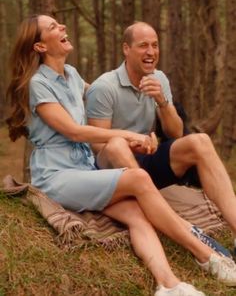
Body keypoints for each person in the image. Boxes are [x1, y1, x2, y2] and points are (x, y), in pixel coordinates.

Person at [6, 15, 236, 296]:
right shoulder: (37, 84)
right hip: (56, 175)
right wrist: (128, 135)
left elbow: (98, 92)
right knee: (137, 178)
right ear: (40, 46)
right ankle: (207, 255)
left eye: (60, 23)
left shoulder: (73, 75)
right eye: (53, 27)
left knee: (136, 214)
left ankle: (169, 285)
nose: (62, 27)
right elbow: (75, 132)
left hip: (85, 170)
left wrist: (152, 110)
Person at [86, 21, 236, 254]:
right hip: (114, 171)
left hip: (146, 161)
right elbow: (96, 145)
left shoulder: (159, 79)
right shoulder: (104, 87)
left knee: (200, 141)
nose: (151, 52)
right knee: (116, 145)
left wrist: (162, 101)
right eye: (143, 45)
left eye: (155, 46)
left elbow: (176, 133)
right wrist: (132, 141)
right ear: (126, 49)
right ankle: (173, 221)